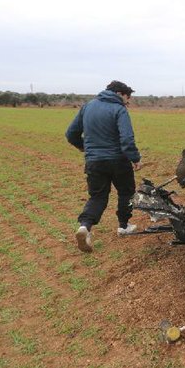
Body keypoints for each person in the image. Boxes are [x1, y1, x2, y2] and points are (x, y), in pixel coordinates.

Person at [65, 80, 143, 253]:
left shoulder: (87, 107)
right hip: (118, 161)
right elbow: (127, 139)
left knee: (97, 197)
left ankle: (85, 227)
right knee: (126, 192)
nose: (128, 102)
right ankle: (123, 226)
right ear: (120, 94)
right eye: (127, 98)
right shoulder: (119, 109)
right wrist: (135, 158)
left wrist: (84, 147)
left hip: (94, 162)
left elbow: (70, 133)